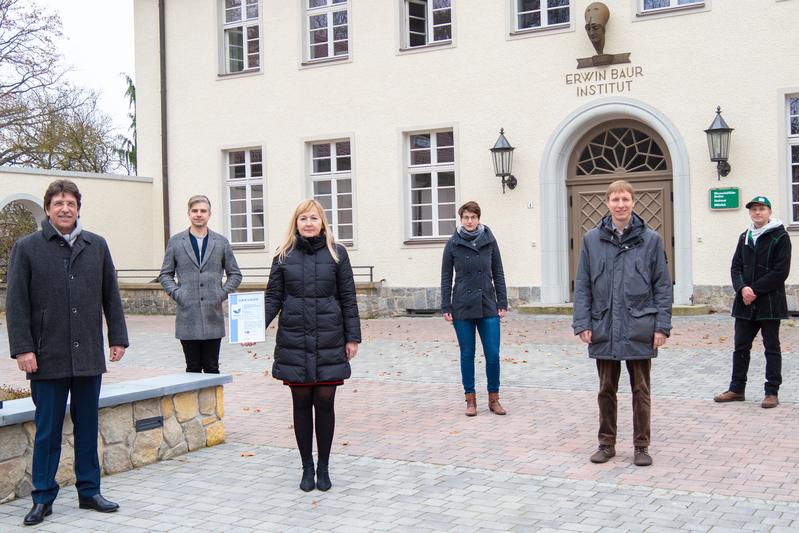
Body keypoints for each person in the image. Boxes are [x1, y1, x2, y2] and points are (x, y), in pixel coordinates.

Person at [6, 179, 129, 525]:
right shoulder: (27, 248)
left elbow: (111, 296)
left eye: (70, 203)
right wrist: (23, 349)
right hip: (46, 356)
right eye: (58, 203)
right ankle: (42, 497)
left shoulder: (97, 246)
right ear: (47, 209)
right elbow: (16, 304)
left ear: (78, 208)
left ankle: (89, 491)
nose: (64, 208)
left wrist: (117, 337)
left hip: (88, 354)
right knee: (48, 432)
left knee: (88, 427)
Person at [262, 199, 360, 492]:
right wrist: (254, 327)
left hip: (330, 338)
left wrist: (352, 336)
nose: (308, 223)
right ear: (296, 223)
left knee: (325, 401)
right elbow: (273, 298)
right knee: (301, 403)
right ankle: (307, 468)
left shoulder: (337, 253)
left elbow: (348, 298)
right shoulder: (283, 256)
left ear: (322, 223)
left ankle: (324, 467)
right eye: (303, 218)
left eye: (313, 218)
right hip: (295, 339)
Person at [572, 180, 672, 467]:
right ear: (607, 203)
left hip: (640, 325)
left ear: (633, 202)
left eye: (625, 199)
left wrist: (662, 326)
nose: (620, 204)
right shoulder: (592, 239)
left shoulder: (651, 239)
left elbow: (662, 285)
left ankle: (641, 446)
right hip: (604, 325)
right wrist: (582, 322)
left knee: (641, 390)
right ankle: (606, 443)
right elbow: (582, 285)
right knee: (606, 389)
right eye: (615, 199)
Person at [714, 196, 791, 409]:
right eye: (754, 209)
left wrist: (755, 290)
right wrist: (742, 288)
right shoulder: (744, 237)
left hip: (769, 302)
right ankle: (737, 389)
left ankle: (771, 392)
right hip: (745, 302)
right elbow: (735, 267)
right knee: (740, 347)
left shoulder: (780, 236)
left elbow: (781, 271)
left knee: (771, 347)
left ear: (769, 212)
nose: (757, 212)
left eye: (761, 209)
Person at [159, 195, 242, 373]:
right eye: (195, 211)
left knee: (212, 367)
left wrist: (221, 293)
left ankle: (213, 402)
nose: (199, 214)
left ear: (209, 215)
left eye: (203, 211)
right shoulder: (176, 242)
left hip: (213, 316)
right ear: (189, 214)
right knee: (192, 367)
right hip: (187, 316)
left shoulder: (221, 242)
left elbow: (235, 274)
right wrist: (178, 293)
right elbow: (165, 274)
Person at [441, 201, 508, 417]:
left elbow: (498, 271)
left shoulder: (489, 240)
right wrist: (446, 305)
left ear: (479, 218)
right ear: (461, 219)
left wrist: (502, 301)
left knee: (493, 354)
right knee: (467, 354)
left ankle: (494, 398)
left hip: (488, 304)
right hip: (462, 306)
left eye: (473, 217)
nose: (470, 221)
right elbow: (445, 277)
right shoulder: (453, 243)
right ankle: (470, 400)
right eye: (466, 217)